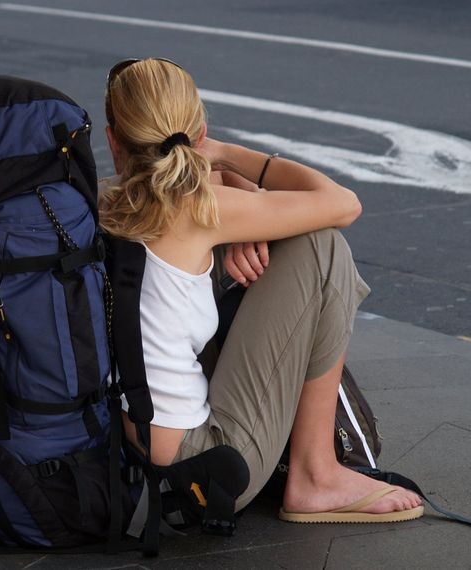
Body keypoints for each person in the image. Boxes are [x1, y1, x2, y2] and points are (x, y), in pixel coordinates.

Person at [99, 58, 423, 523]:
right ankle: (317, 474)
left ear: (113, 139)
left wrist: (242, 214)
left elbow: (199, 190)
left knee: (304, 240)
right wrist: (231, 156)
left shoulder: (107, 197)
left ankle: (316, 470)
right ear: (200, 133)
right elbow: (342, 205)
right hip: (207, 467)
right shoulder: (195, 208)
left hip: (138, 445)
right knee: (322, 246)